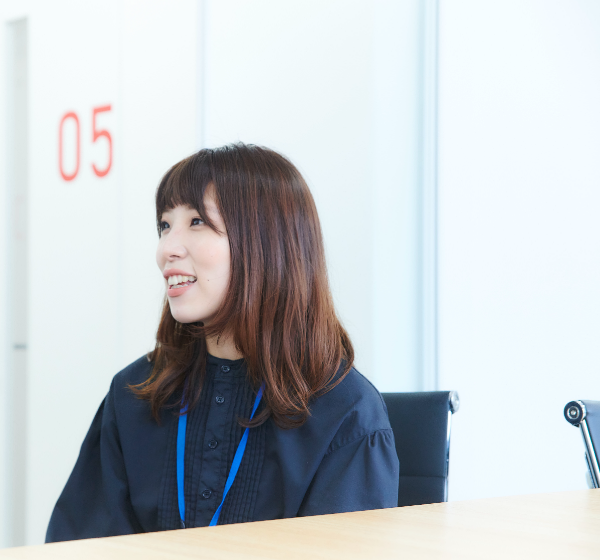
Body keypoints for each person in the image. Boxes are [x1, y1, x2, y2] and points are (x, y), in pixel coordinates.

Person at [45, 143, 398, 542]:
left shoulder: (346, 413)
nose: (166, 250)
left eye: (196, 222)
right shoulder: (134, 393)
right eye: (165, 226)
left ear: (265, 241)